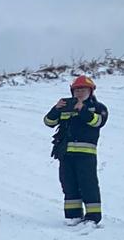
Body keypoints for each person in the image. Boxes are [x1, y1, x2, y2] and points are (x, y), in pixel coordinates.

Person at [44, 75, 108, 225]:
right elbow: (48, 122)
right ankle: (73, 216)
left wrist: (83, 110)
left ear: (91, 91)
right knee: (68, 184)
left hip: (86, 154)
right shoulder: (66, 107)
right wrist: (55, 109)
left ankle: (93, 217)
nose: (79, 93)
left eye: (83, 89)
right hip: (66, 154)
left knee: (88, 184)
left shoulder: (98, 108)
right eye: (76, 90)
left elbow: (98, 122)